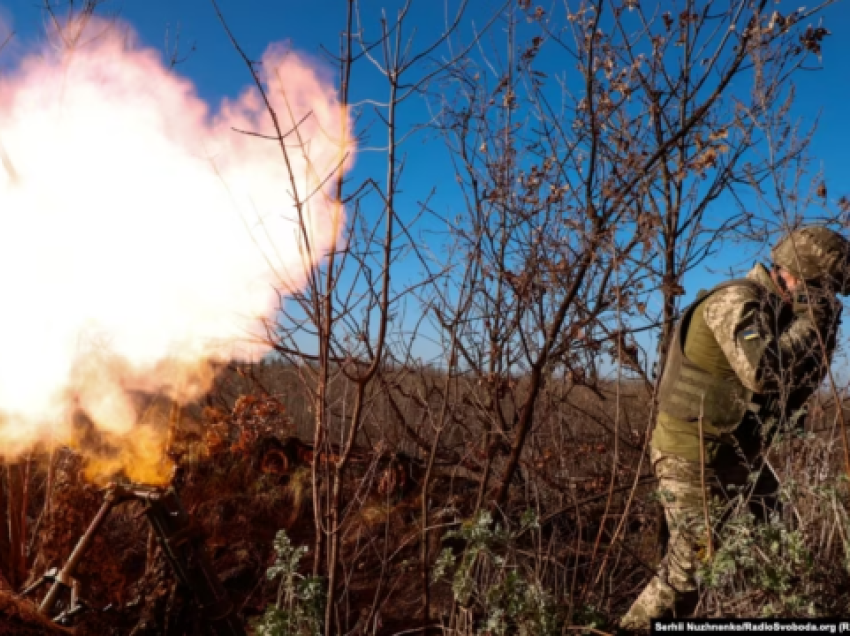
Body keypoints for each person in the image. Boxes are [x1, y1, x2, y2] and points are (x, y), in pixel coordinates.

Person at [620, 226, 849, 630]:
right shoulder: (737, 300)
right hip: (692, 453)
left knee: (779, 540)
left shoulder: (782, 312)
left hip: (737, 453)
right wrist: (811, 322)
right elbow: (762, 371)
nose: (827, 299)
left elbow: (797, 383)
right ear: (798, 275)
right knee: (688, 567)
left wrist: (820, 333)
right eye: (822, 288)